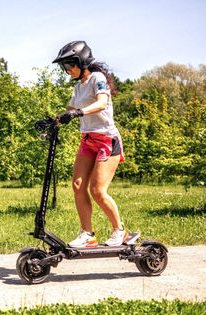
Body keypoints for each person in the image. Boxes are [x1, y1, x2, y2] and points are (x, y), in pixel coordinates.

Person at [52, 41, 127, 248]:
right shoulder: (78, 86)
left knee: (97, 190)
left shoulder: (97, 78)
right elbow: (70, 108)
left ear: (81, 61)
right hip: (88, 140)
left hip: (106, 140)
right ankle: (88, 234)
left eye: (69, 65)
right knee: (77, 185)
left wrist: (79, 112)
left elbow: (102, 102)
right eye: (64, 67)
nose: (67, 71)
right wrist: (54, 120)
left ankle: (119, 230)